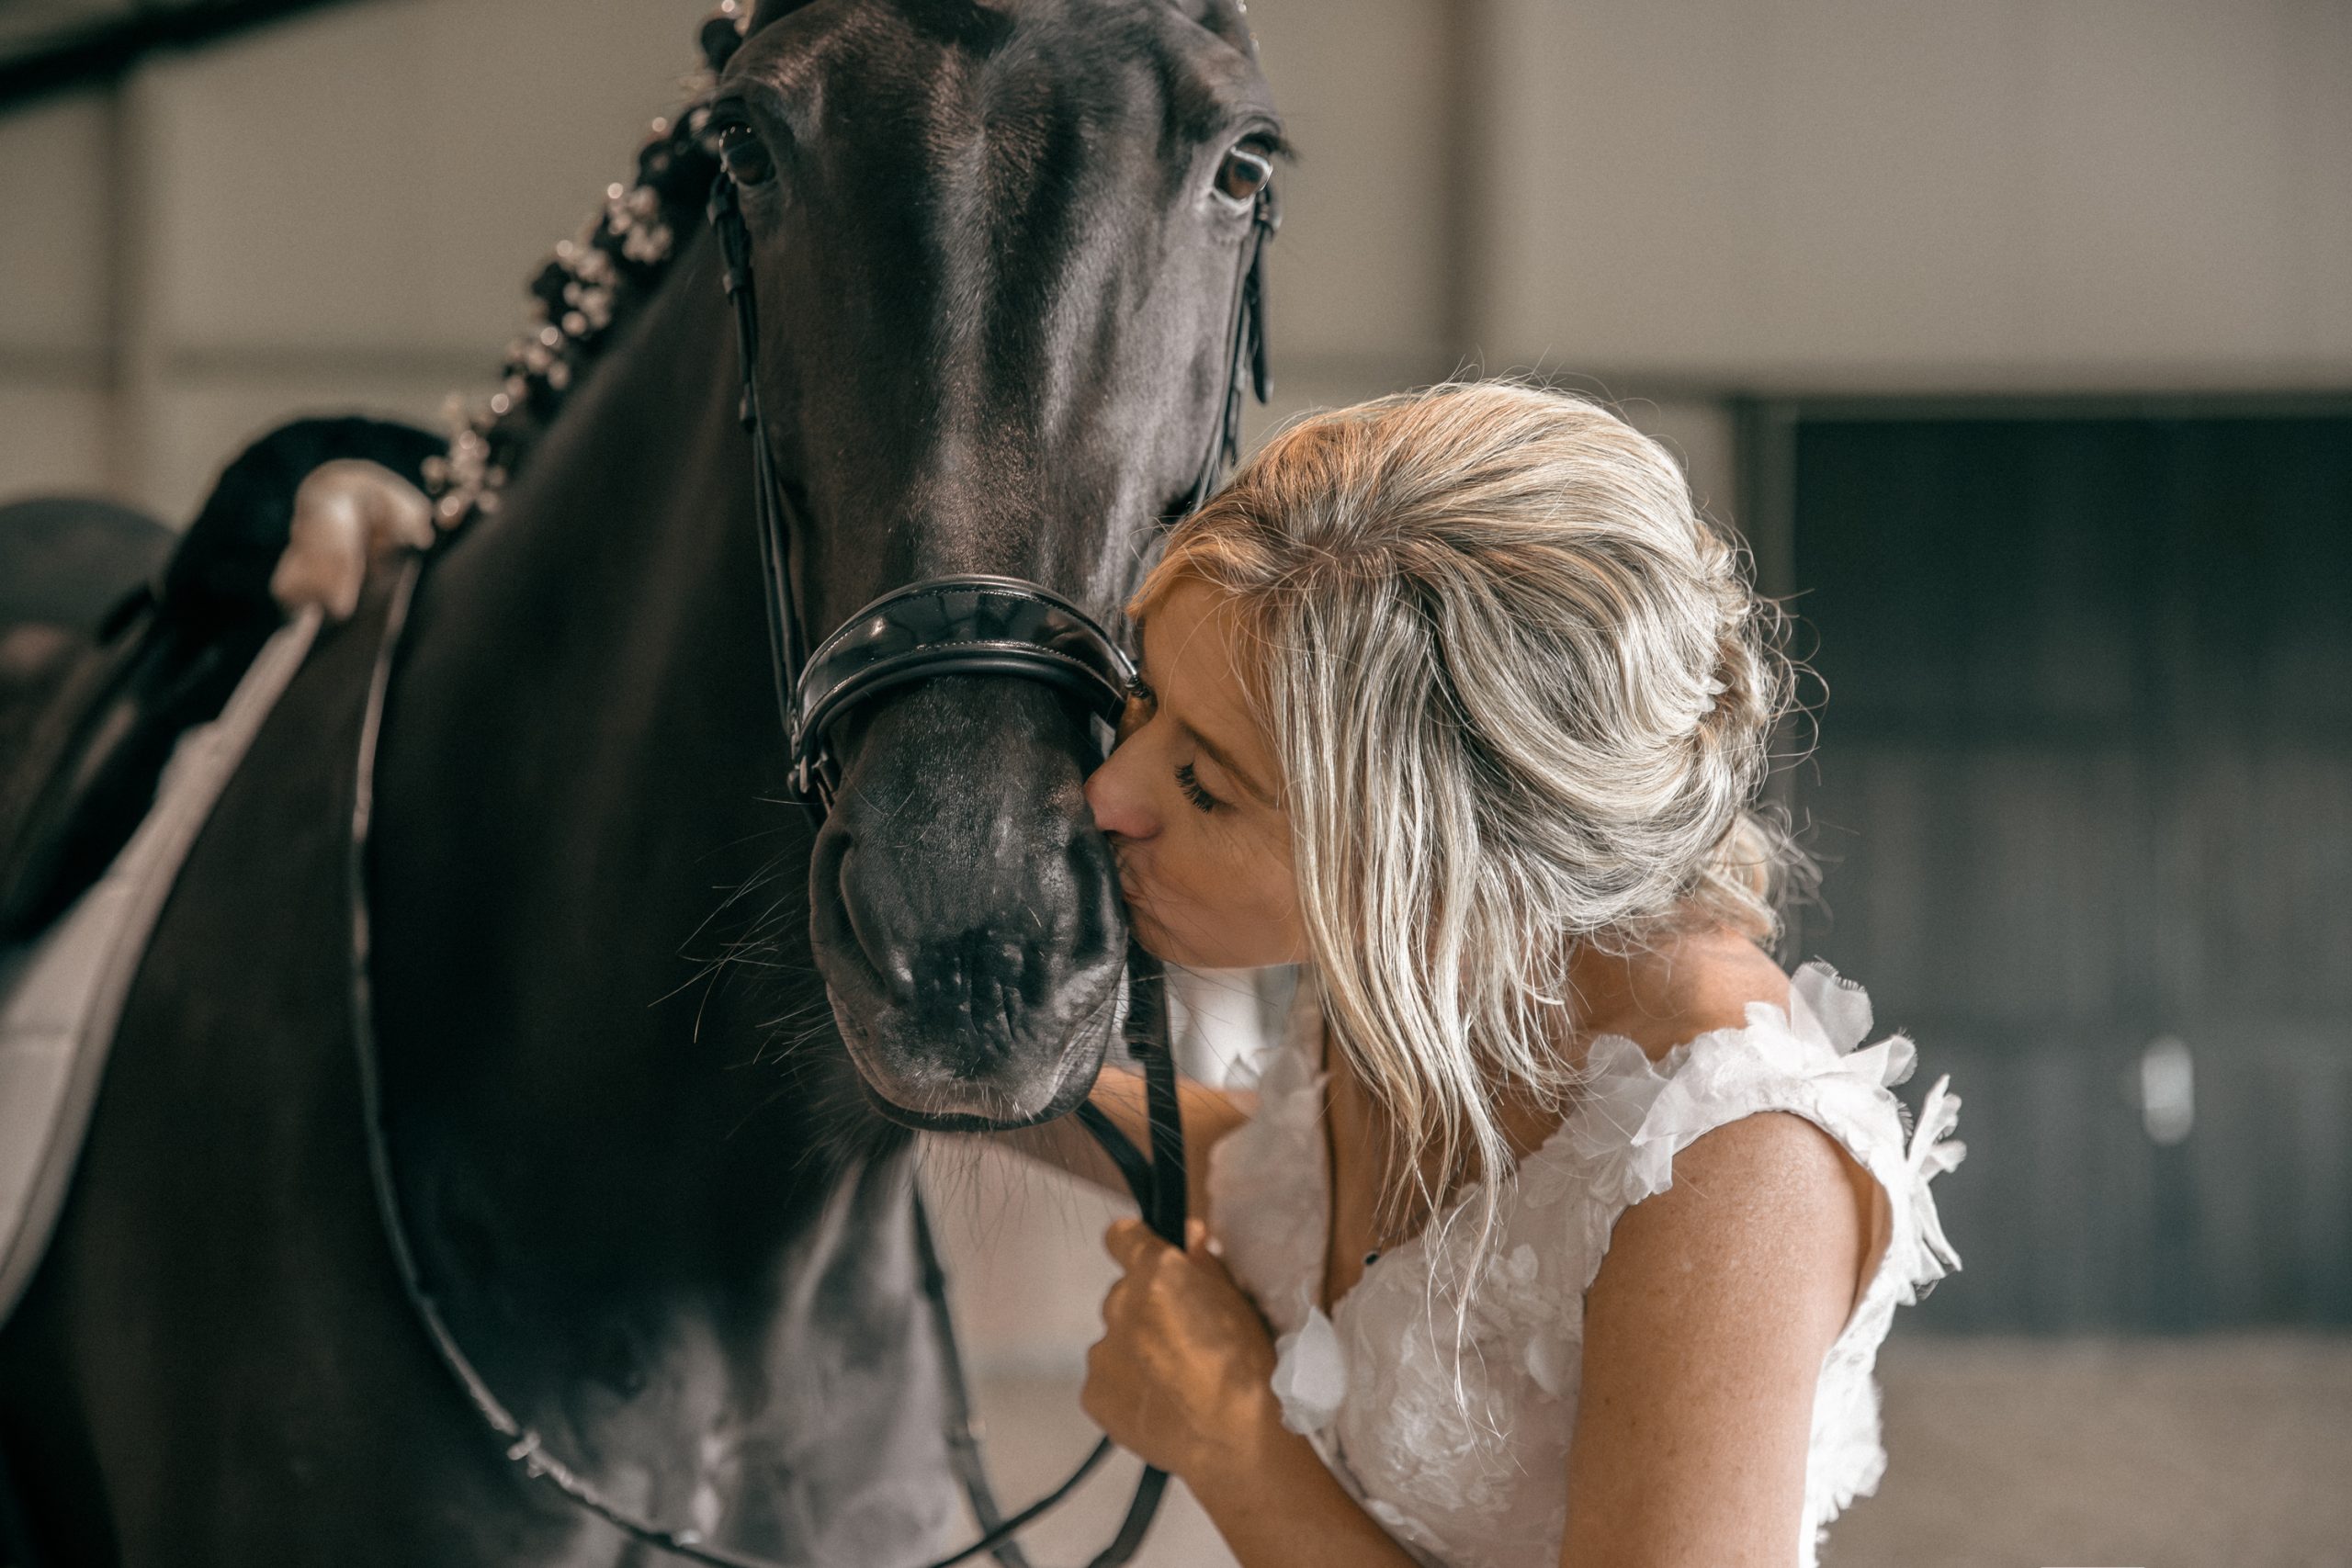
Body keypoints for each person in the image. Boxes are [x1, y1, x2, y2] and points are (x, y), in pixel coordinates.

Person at [1010, 382, 1965, 1568]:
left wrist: (1230, 1439)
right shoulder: (1423, 969)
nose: (1110, 793)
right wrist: (976, 1064)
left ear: (1441, 865)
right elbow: (1291, 1191)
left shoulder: (1732, 1155)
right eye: (1143, 704)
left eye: (1206, 784)